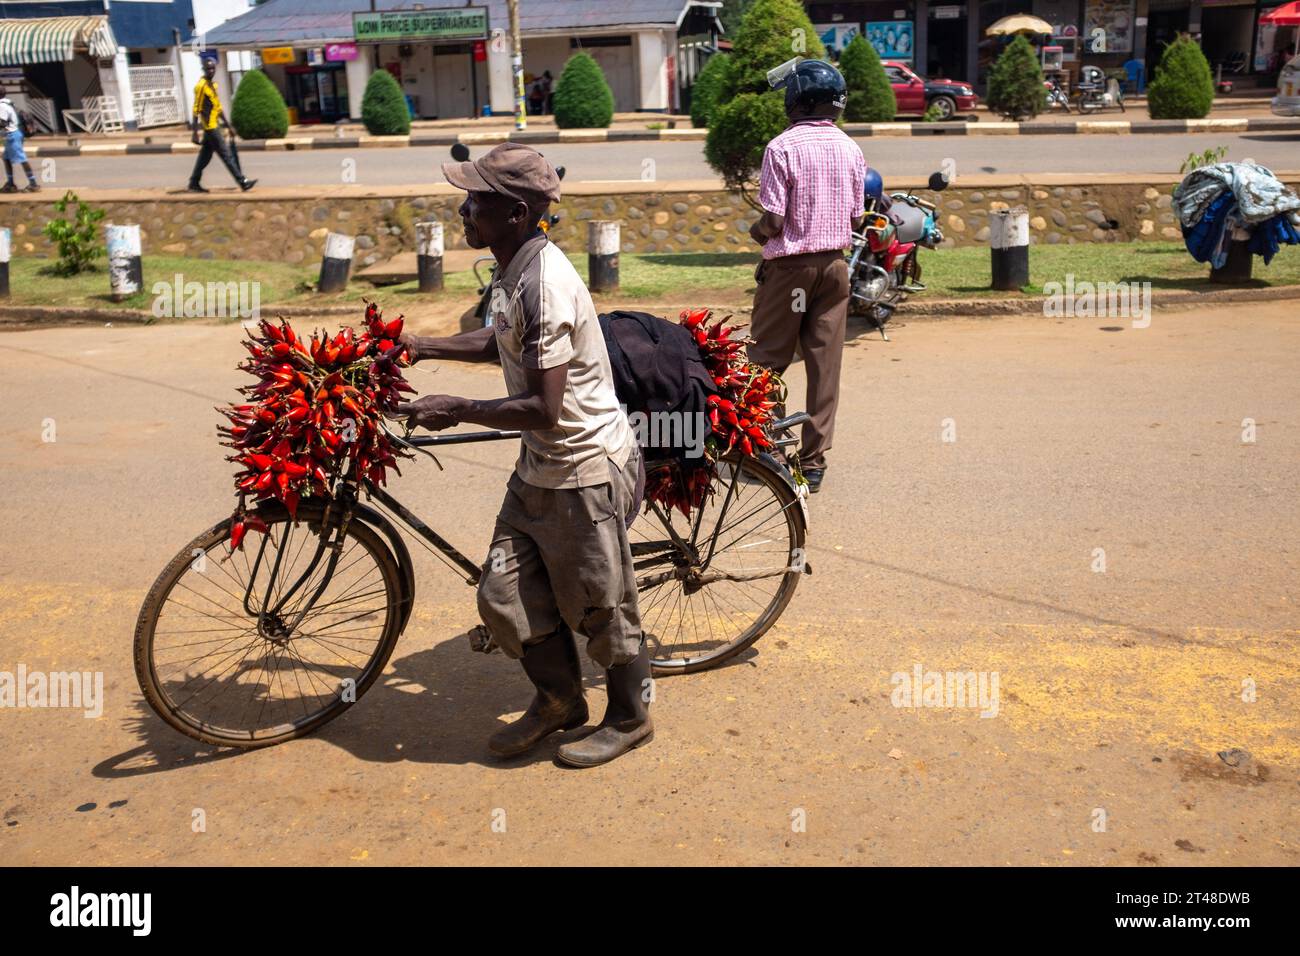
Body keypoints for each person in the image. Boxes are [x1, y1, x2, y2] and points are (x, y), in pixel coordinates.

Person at [396, 143, 653, 768]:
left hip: (584, 469)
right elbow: (501, 339)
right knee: (503, 596)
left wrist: (453, 407)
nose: (464, 209)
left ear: (514, 213)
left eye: (476, 200)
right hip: (542, 466)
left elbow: (543, 406)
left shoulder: (544, 282)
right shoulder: (513, 268)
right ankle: (560, 701)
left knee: (601, 604)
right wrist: (423, 344)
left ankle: (630, 717)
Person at [747, 59, 866, 493]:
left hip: (791, 270)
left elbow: (775, 221)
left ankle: (772, 451)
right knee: (824, 365)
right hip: (836, 268)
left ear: (795, 99)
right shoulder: (851, 149)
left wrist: (755, 229)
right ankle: (813, 463)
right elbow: (856, 213)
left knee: (766, 363)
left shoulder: (782, 148)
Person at [187, 56, 255, 193]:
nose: (211, 71)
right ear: (203, 69)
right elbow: (196, 109)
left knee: (205, 156)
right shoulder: (201, 87)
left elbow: (218, 108)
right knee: (227, 155)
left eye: (212, 68)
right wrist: (194, 132)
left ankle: (194, 182)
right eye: (208, 68)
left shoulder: (213, 85)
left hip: (214, 126)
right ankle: (243, 182)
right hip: (211, 128)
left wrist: (228, 126)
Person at [0, 90, 39, 193]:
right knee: (6, 158)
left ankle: (33, 184)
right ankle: (10, 183)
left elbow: (2, 123)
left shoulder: (2, 106)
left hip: (12, 135)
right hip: (14, 134)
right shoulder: (8, 103)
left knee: (22, 159)